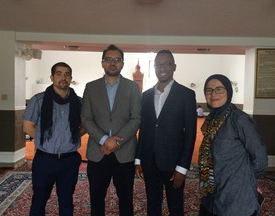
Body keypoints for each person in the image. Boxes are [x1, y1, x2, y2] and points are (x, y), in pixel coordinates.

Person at [81, 44, 141, 216]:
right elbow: (86, 118)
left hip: (125, 153)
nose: (112, 63)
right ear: (102, 63)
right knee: (96, 199)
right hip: (98, 152)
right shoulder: (91, 88)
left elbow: (136, 118)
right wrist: (104, 139)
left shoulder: (132, 88)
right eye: (108, 59)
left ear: (122, 63)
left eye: (117, 60)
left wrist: (116, 141)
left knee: (126, 199)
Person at [135, 50, 197, 215]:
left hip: (173, 163)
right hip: (150, 162)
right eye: (158, 64)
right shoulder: (146, 96)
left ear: (174, 67)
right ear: (154, 68)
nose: (162, 68)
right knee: (152, 205)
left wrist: (182, 168)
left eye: (167, 63)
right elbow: (144, 129)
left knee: (175, 207)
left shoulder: (186, 95)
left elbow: (191, 135)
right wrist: (138, 159)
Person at [198, 74, 268, 216]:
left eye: (219, 89)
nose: (213, 94)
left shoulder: (239, 119)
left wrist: (244, 179)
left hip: (235, 200)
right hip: (210, 197)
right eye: (209, 90)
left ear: (229, 92)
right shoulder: (210, 121)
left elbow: (260, 158)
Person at [23, 62, 85, 216]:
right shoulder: (38, 100)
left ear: (71, 78)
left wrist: (74, 136)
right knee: (39, 200)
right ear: (52, 77)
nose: (63, 77)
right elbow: (27, 127)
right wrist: (46, 139)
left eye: (67, 74)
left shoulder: (79, 102)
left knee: (66, 201)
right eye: (59, 73)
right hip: (45, 160)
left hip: (69, 161)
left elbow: (86, 125)